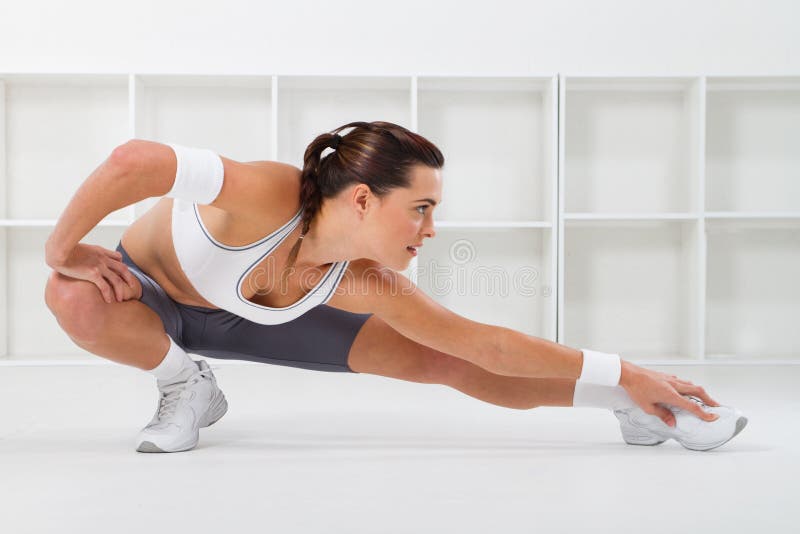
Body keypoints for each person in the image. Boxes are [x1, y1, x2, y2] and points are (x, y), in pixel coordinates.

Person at [43, 120, 746, 453]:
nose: (431, 228)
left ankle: (635, 410)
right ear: (359, 201)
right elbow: (136, 159)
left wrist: (628, 376)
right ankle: (184, 385)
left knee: (443, 359)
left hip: (255, 314)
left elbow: (487, 347)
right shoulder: (266, 194)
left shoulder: (365, 283)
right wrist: (63, 246)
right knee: (67, 294)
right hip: (153, 301)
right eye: (421, 208)